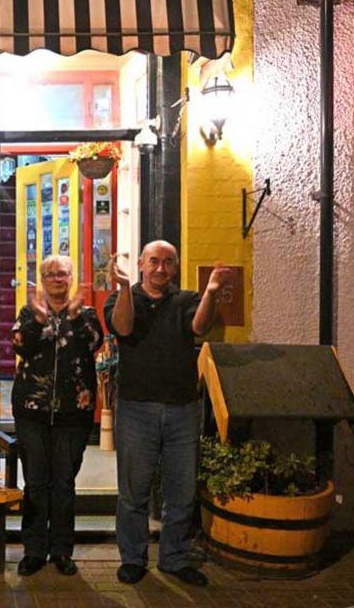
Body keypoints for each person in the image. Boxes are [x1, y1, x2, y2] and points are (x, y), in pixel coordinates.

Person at [104, 240, 229, 587]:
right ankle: (133, 558)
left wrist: (212, 291)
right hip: (136, 409)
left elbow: (200, 328)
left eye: (168, 263)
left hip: (182, 410)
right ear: (142, 264)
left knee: (182, 491)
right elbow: (124, 328)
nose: (161, 268)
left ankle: (174, 558)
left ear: (175, 267)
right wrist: (122, 286)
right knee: (133, 492)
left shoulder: (186, 299)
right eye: (154, 261)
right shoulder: (121, 298)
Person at [11, 255, 104, 576]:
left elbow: (94, 342)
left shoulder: (87, 314)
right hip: (31, 413)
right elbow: (20, 346)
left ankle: (62, 551)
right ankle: (34, 550)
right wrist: (37, 322)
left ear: (71, 277)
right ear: (42, 279)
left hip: (73, 414)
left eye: (61, 273)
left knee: (64, 483)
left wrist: (76, 318)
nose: (56, 279)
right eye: (49, 274)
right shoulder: (28, 313)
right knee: (35, 483)